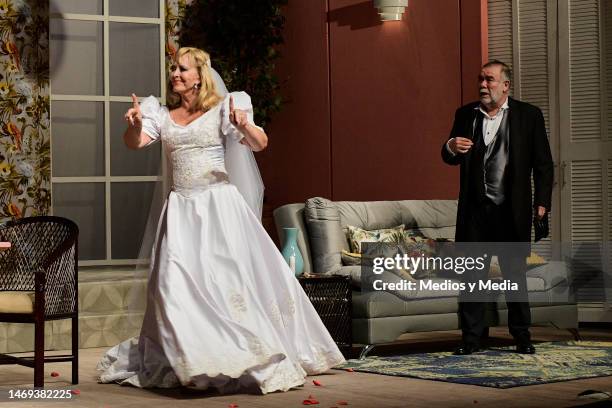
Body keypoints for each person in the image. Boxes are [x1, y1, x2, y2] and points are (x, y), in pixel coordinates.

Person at [97, 47, 345, 393]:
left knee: (226, 283)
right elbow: (135, 143)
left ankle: (233, 353)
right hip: (181, 210)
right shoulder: (160, 113)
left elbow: (260, 144)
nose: (175, 74)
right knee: (172, 283)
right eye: (173, 68)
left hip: (218, 208)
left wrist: (245, 124)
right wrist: (136, 124)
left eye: (182, 69)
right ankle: (186, 358)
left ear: (200, 75)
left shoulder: (224, 109)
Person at [441, 60, 553, 355]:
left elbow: (543, 164)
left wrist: (542, 203)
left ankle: (522, 337)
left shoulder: (528, 116)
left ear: (505, 85)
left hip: (511, 211)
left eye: (489, 80)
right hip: (475, 212)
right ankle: (471, 340)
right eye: (480, 79)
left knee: (515, 276)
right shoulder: (465, 114)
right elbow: (449, 156)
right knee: (472, 278)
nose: (483, 85)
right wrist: (451, 146)